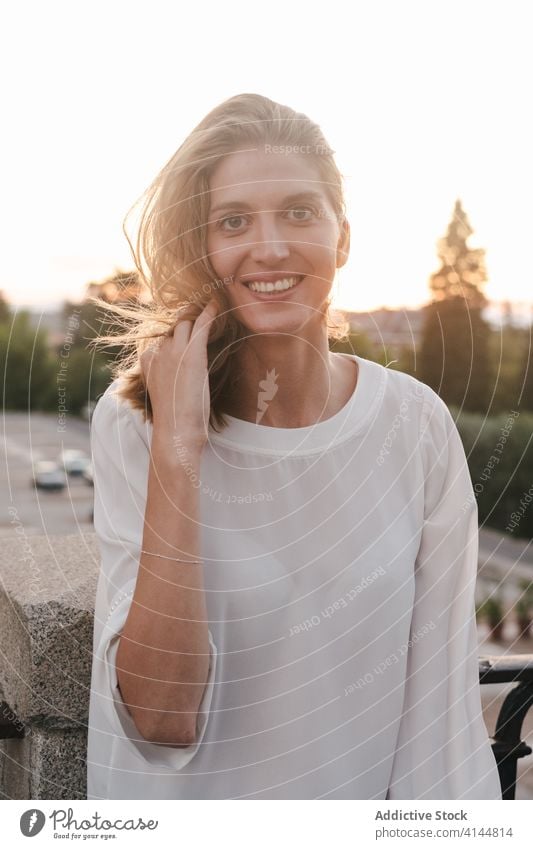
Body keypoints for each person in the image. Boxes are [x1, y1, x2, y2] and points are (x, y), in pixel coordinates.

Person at [86, 93, 502, 801]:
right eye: (234, 221)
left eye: (299, 211)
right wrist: (179, 451)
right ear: (204, 247)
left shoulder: (415, 426)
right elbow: (160, 716)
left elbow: (440, 718)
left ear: (342, 236)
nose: (270, 245)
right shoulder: (137, 424)